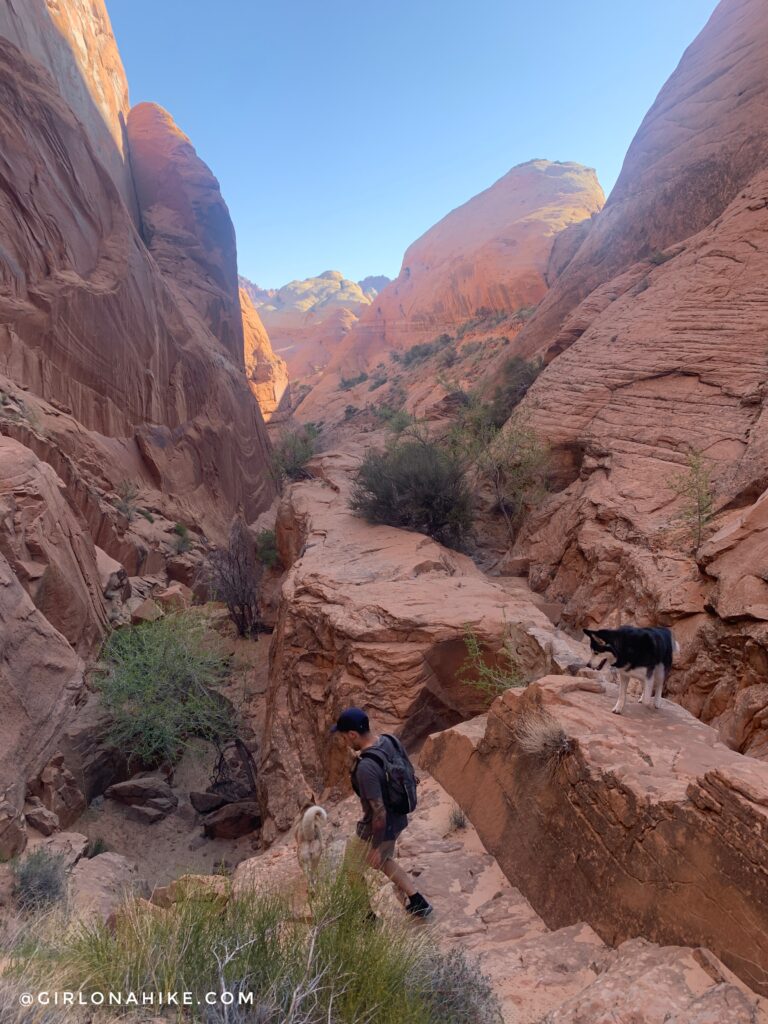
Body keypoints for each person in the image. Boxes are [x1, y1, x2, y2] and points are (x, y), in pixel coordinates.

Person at [331, 706, 433, 918]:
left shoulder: (366, 768)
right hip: (398, 817)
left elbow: (378, 812)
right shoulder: (390, 740)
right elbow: (408, 769)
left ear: (353, 734)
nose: (345, 742)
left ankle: (366, 917)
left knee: (352, 867)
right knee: (384, 861)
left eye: (344, 737)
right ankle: (417, 902)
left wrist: (376, 846)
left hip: (377, 828)